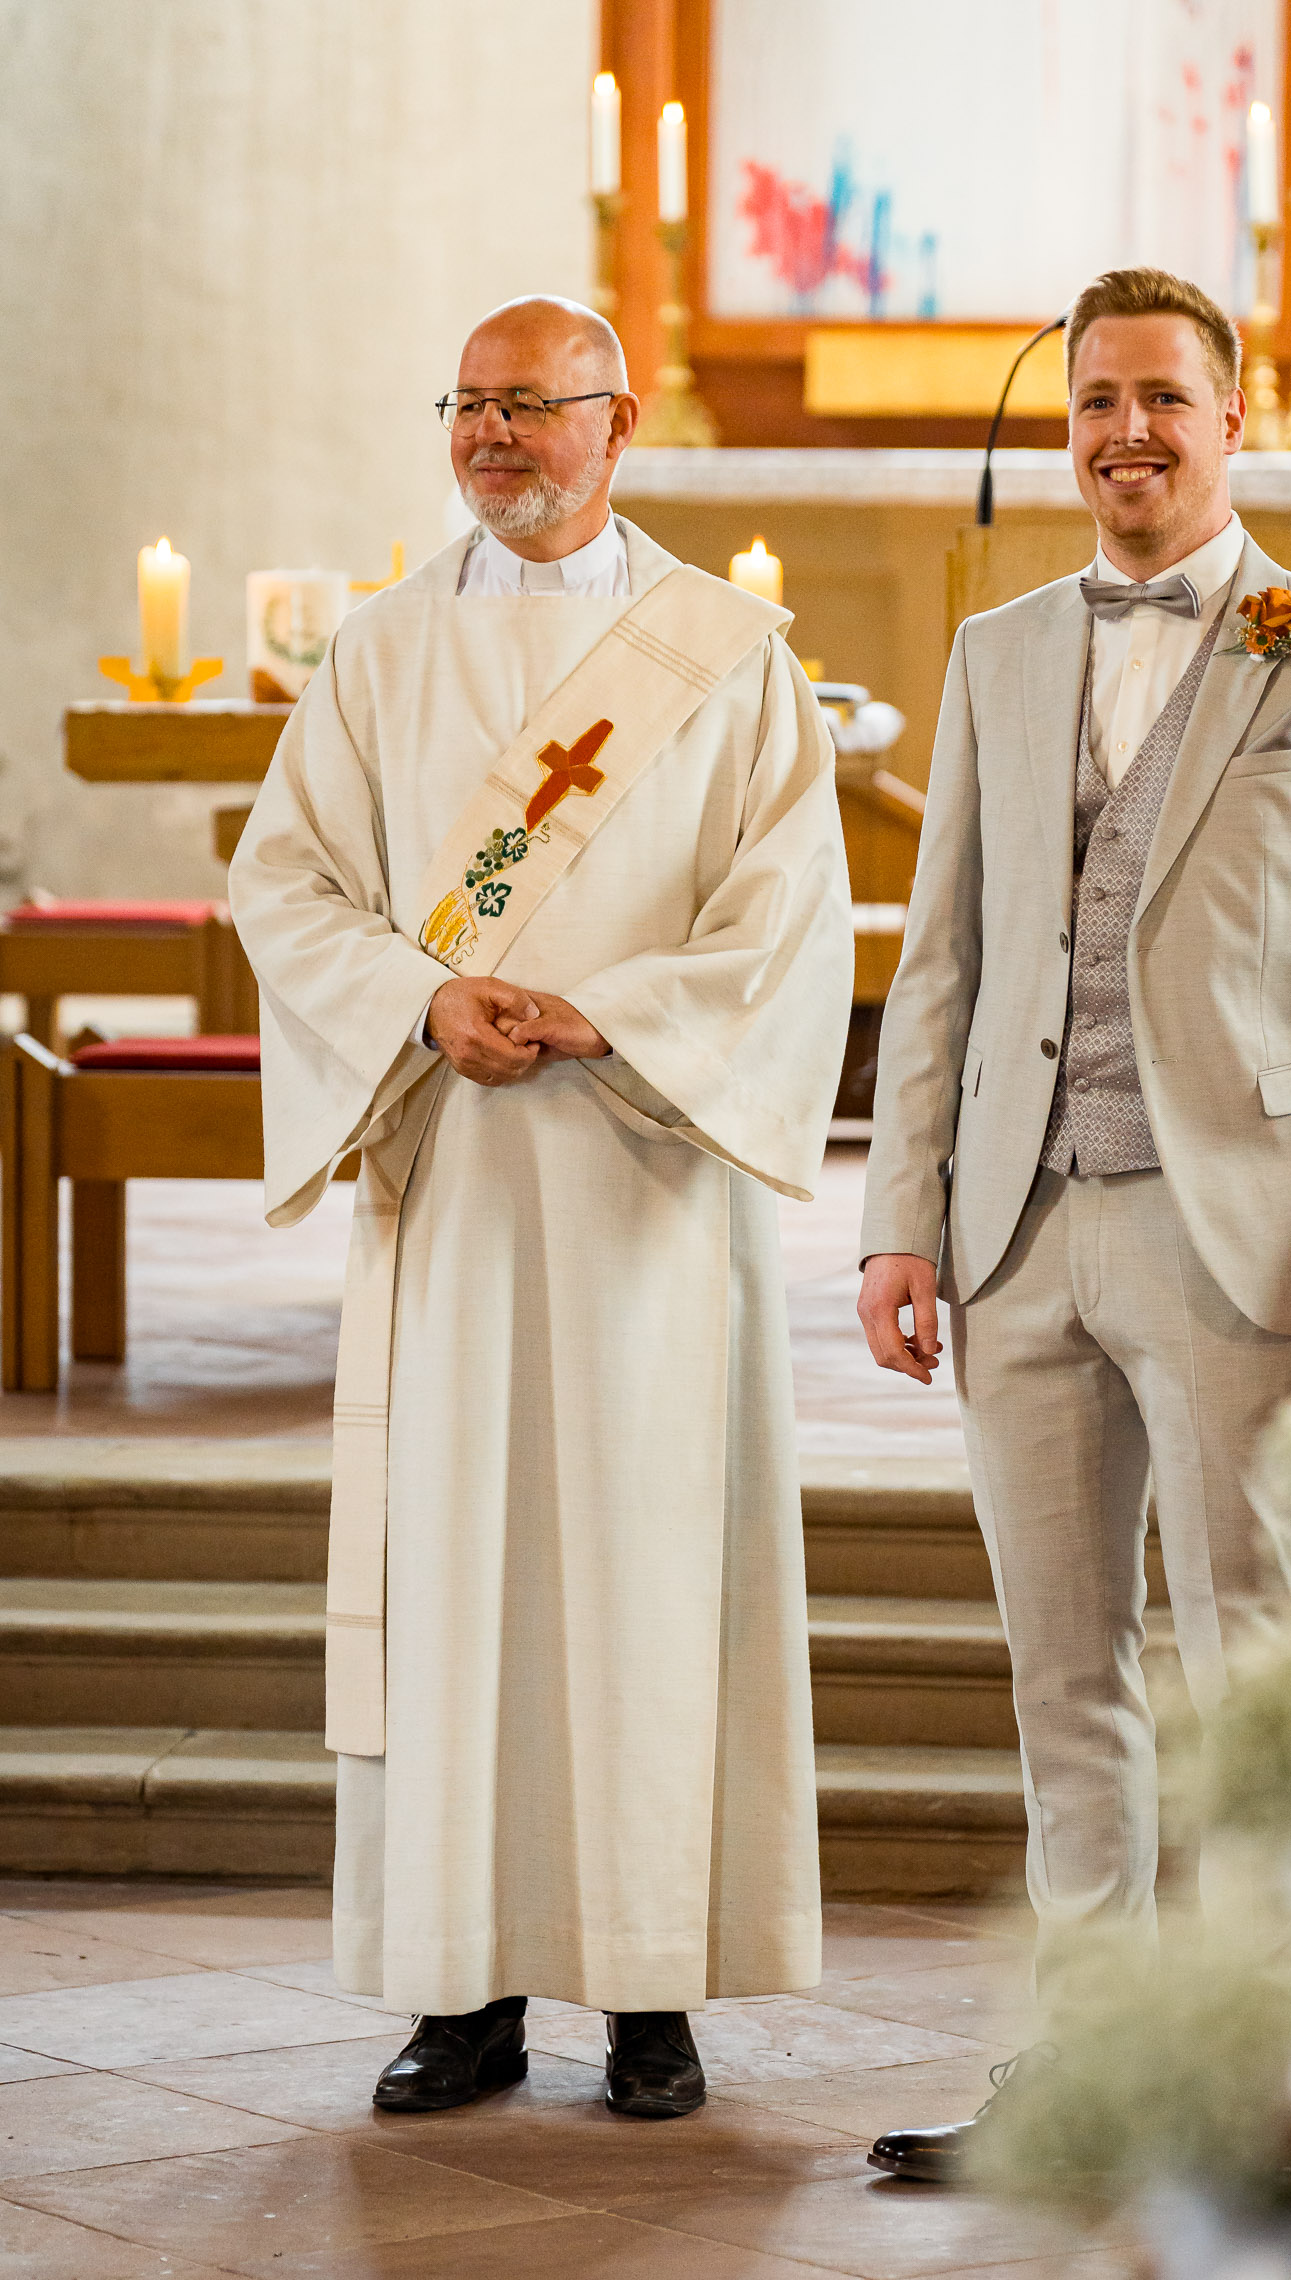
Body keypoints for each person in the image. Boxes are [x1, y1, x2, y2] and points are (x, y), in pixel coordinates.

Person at [856, 266, 1291, 2181]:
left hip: (1239, 1236)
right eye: (1097, 401)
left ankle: (1267, 2080)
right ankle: (1089, 2067)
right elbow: (939, 964)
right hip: (1017, 1230)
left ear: (1230, 420)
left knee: (1242, 1662)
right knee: (1063, 1673)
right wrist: (899, 1217)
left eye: (1163, 400)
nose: (1127, 432)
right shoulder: (999, 652)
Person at [230, 296, 852, 2119]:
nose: (492, 435)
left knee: (653, 1576)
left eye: (530, 405)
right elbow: (286, 886)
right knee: (460, 1580)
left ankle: (652, 1994)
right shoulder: (379, 654)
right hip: (460, 1180)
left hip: (649, 1180)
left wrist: (614, 1016)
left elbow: (788, 913)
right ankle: (464, 1989)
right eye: (469, 405)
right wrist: (422, 1002)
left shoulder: (725, 657)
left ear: (619, 421)